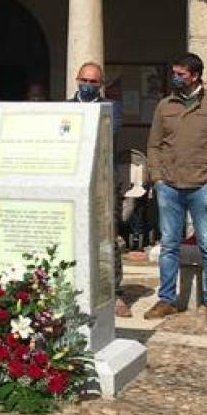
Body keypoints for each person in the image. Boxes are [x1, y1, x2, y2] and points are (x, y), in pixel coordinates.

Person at [144, 53, 207, 326]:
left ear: (195, 75)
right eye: (174, 73)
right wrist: (158, 178)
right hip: (169, 186)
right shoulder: (164, 106)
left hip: (202, 187)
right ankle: (167, 300)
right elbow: (154, 145)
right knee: (169, 245)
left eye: (181, 74)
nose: (175, 78)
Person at [71, 61, 126, 315]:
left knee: (108, 234)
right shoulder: (65, 109)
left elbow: (104, 134)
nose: (88, 85)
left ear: (100, 84)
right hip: (73, 180)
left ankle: (114, 291)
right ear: (77, 79)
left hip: (103, 179)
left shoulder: (111, 109)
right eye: (85, 80)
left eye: (94, 82)